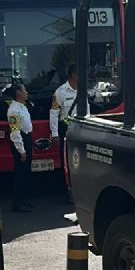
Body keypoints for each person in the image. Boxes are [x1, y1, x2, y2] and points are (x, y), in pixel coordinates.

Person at [50, 63, 78, 198]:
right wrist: (54, 134)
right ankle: (67, 192)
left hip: (81, 128)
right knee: (67, 162)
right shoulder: (60, 92)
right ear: (73, 74)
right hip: (66, 128)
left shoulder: (83, 90)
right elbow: (54, 113)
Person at [6, 80, 33, 212]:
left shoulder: (22, 106)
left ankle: (23, 200)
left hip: (27, 138)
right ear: (18, 93)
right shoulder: (13, 111)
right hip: (20, 141)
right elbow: (15, 132)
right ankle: (17, 203)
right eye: (24, 90)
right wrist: (21, 151)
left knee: (26, 173)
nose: (26, 93)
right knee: (20, 174)